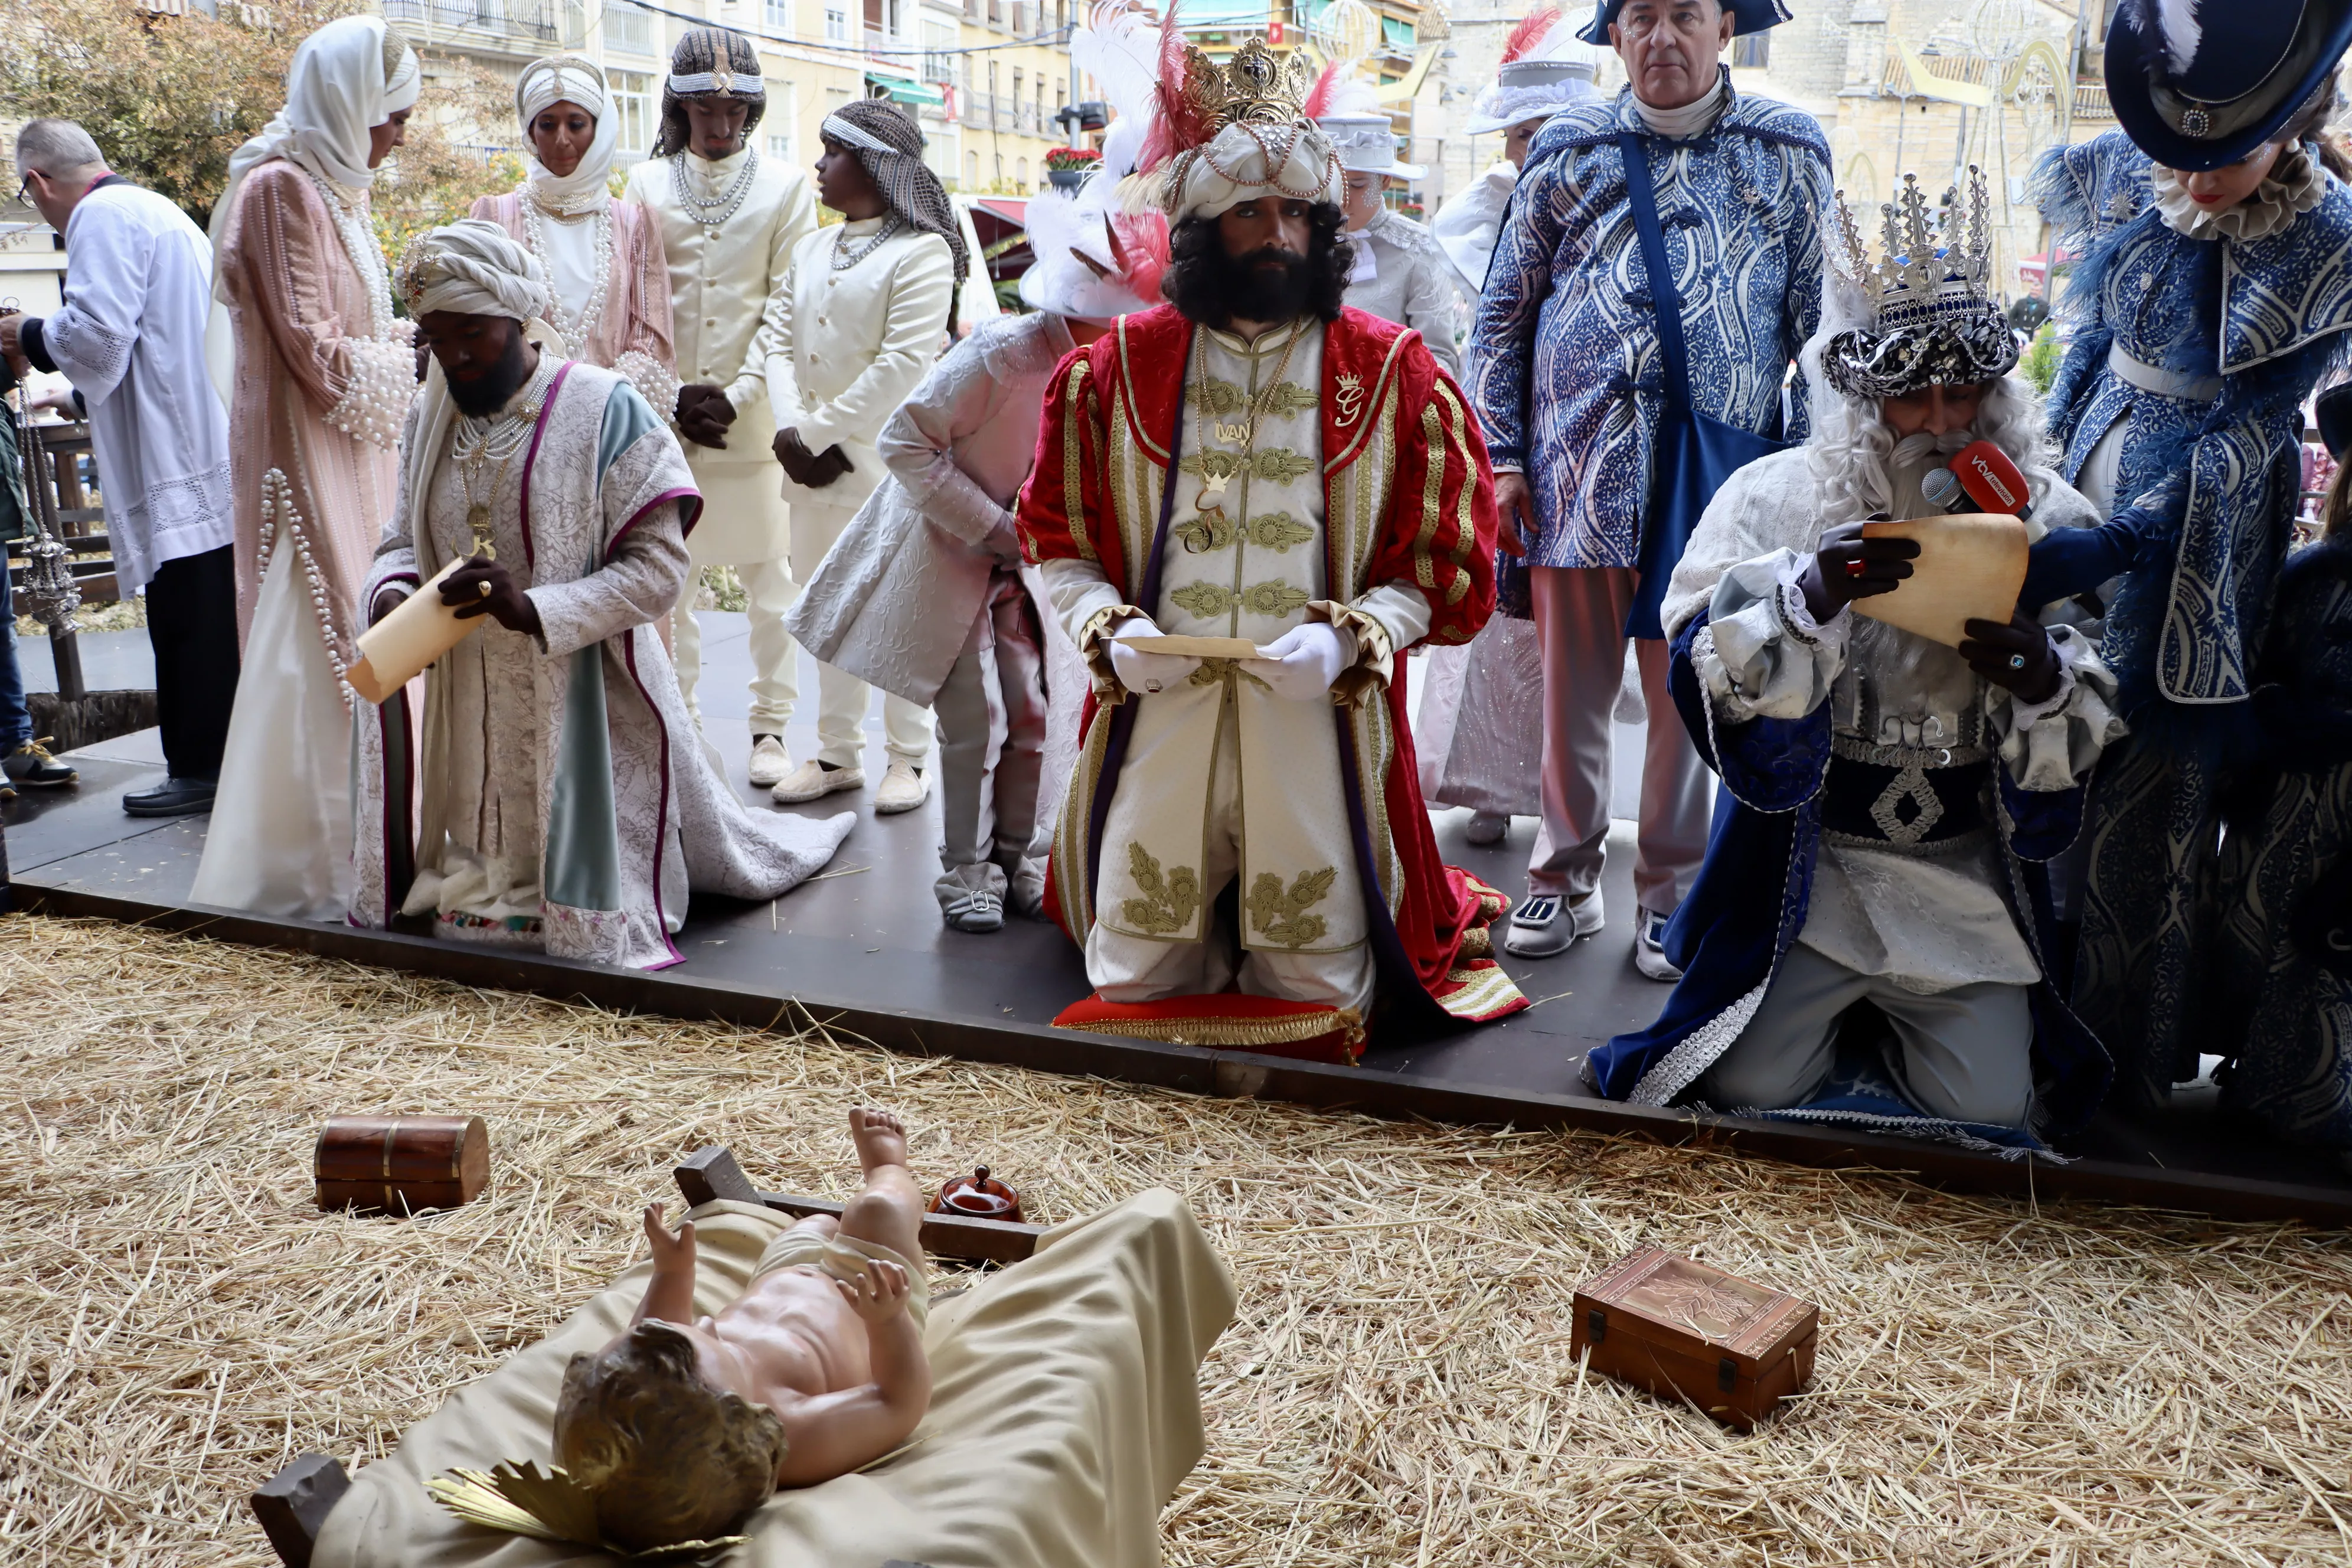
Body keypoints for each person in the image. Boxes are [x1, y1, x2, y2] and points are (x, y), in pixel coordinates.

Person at [1589, 171, 2125, 1145]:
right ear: (1859, 395)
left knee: (1988, 1106)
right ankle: (1839, 1018)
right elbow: (1693, 647)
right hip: (1814, 872)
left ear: (1991, 393)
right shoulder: (1776, 500)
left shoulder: (2046, 516)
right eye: (1906, 396)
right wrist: (1804, 598)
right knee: (1747, 1084)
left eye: (1958, 391)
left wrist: (2041, 678)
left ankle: (1901, 1027)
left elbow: (2094, 682)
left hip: (1960, 871)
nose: (1936, 418)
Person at [1015, 31, 1524, 1054]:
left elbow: (1442, 562)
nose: (1278, 233)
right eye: (1250, 210)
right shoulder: (1113, 373)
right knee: (1136, 972)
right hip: (1160, 700)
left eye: (1297, 211)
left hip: (1318, 714)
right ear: (1203, 227)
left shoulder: (1394, 375)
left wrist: (1353, 641)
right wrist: (1103, 631)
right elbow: (1054, 539)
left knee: (1312, 977)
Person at [347, 222, 850, 969]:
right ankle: (492, 875)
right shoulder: (432, 413)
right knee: (480, 819)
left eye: (472, 335)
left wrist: (540, 609)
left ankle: (571, 890)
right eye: (435, 336)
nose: (452, 356)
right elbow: (398, 540)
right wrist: (394, 594)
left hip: (584, 678)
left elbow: (658, 572)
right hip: (467, 674)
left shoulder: (604, 408)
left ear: (519, 318)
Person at [2025, 0, 2352, 1111]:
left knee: (2147, 776)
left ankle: (2112, 1039)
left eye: (2228, 157)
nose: (2197, 180)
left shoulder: (2322, 236)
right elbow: (2086, 335)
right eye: (2183, 155)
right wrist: (2041, 468)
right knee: (2031, 731)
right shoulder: (2127, 165)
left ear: (2289, 125)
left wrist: (2119, 538)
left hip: (2200, 531)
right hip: (2081, 465)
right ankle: (2004, 997)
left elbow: (2250, 427)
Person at [1467, 0, 1825, 977]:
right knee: (1571, 693)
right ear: (1612, 36)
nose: (1661, 37)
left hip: (1718, 482)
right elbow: (1501, 316)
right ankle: (1561, 876)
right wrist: (1501, 456)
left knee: (1688, 688)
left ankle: (1667, 893)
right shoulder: (1567, 147)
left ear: (1723, 29)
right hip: (1576, 468)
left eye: (1684, 15)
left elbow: (1818, 328)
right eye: (1640, 18)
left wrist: (1797, 475)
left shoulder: (1784, 148)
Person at [786, 173, 1161, 932]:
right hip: (947, 558)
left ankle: (1018, 856)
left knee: (1031, 712)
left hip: (1026, 573)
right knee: (975, 720)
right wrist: (995, 526)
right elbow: (903, 439)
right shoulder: (1003, 355)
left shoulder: (1114, 371)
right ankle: (963, 870)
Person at [190, 14, 421, 920]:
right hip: (304, 449)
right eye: (390, 115)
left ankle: (380, 841)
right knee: (320, 626)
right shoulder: (280, 190)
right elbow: (317, 354)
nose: (399, 133)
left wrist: (406, 340)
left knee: (369, 625)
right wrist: (415, 357)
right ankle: (317, 862)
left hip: (358, 445)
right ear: (347, 102)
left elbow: (357, 333)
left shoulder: (335, 188)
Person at [551, 1107, 929, 1551]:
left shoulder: (657, 1379)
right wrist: (889, 1322)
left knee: (818, 1224)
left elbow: (655, 1327)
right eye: (711, 1339)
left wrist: (673, 1273)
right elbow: (898, 1401)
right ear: (733, 1413)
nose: (706, 1321)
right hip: (868, 1291)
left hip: (783, 1271)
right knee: (877, 1209)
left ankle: (829, 1227)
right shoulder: (796, 1435)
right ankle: (888, 1168)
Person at [2, 121, 239, 815]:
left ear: (39, 182)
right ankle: (214, 761)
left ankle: (201, 769)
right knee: (206, 612)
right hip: (200, 435)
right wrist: (68, 392)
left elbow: (100, 340)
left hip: (173, 450)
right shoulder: (158, 209)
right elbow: (148, 346)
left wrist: (29, 334)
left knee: (186, 617)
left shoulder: (100, 216)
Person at [1418, 4, 1602, 847]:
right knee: (1499, 618)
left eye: (1529, 133)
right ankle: (1490, 783)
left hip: (1588, 440)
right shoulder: (1486, 210)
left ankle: (1567, 803)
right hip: (1505, 442)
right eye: (1514, 135)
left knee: (1575, 632)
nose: (1513, 153)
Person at [623, 29, 818, 788]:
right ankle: (688, 721)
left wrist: (736, 397)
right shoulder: (644, 184)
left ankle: (771, 726)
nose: (720, 123)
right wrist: (670, 395)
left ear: (754, 110)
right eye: (704, 105)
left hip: (753, 414)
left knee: (772, 584)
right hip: (665, 415)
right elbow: (636, 299)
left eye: (735, 108)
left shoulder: (787, 187)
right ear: (679, 103)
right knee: (678, 583)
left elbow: (787, 303)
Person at [757, 99, 962, 816]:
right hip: (807, 468)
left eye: (830, 153)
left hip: (884, 470)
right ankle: (838, 754)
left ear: (872, 166)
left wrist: (816, 435)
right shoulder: (813, 248)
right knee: (822, 605)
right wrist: (793, 433)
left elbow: (903, 366)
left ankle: (909, 757)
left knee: (895, 610)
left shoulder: (923, 253)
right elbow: (775, 340)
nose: (818, 165)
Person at [2209, 380, 2352, 1150]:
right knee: (2273, 940)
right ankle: (2255, 1069)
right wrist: (2276, 721)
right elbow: (2255, 675)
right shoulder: (2314, 575)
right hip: (2287, 820)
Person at [469, 58, 678, 418]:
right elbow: (481, 327)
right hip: (519, 425)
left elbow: (651, 341)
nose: (562, 139)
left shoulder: (635, 224)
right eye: (547, 125)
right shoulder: (495, 218)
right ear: (530, 132)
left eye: (576, 124)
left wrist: (596, 404)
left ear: (599, 129)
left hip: (612, 425)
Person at [1430, 4, 1600, 299]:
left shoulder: (1615, 188)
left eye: (1524, 134)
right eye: (1506, 136)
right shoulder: (1501, 190)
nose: (1510, 152)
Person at [1311, 76, 1460, 377]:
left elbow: (1439, 357)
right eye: (1332, 185)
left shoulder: (1417, 249)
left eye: (1357, 185)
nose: (1342, 202)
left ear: (1386, 181)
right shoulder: (1303, 239)